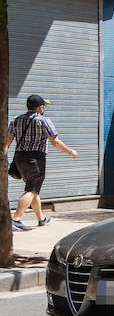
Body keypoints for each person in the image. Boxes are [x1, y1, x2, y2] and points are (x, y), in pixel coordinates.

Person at [5, 95, 78, 231]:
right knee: (31, 189)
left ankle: (41, 218)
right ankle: (16, 218)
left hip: (19, 158)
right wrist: (70, 151)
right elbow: (55, 142)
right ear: (39, 107)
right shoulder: (43, 120)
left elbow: (7, 142)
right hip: (36, 158)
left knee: (33, 189)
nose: (43, 108)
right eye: (43, 106)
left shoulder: (16, 120)